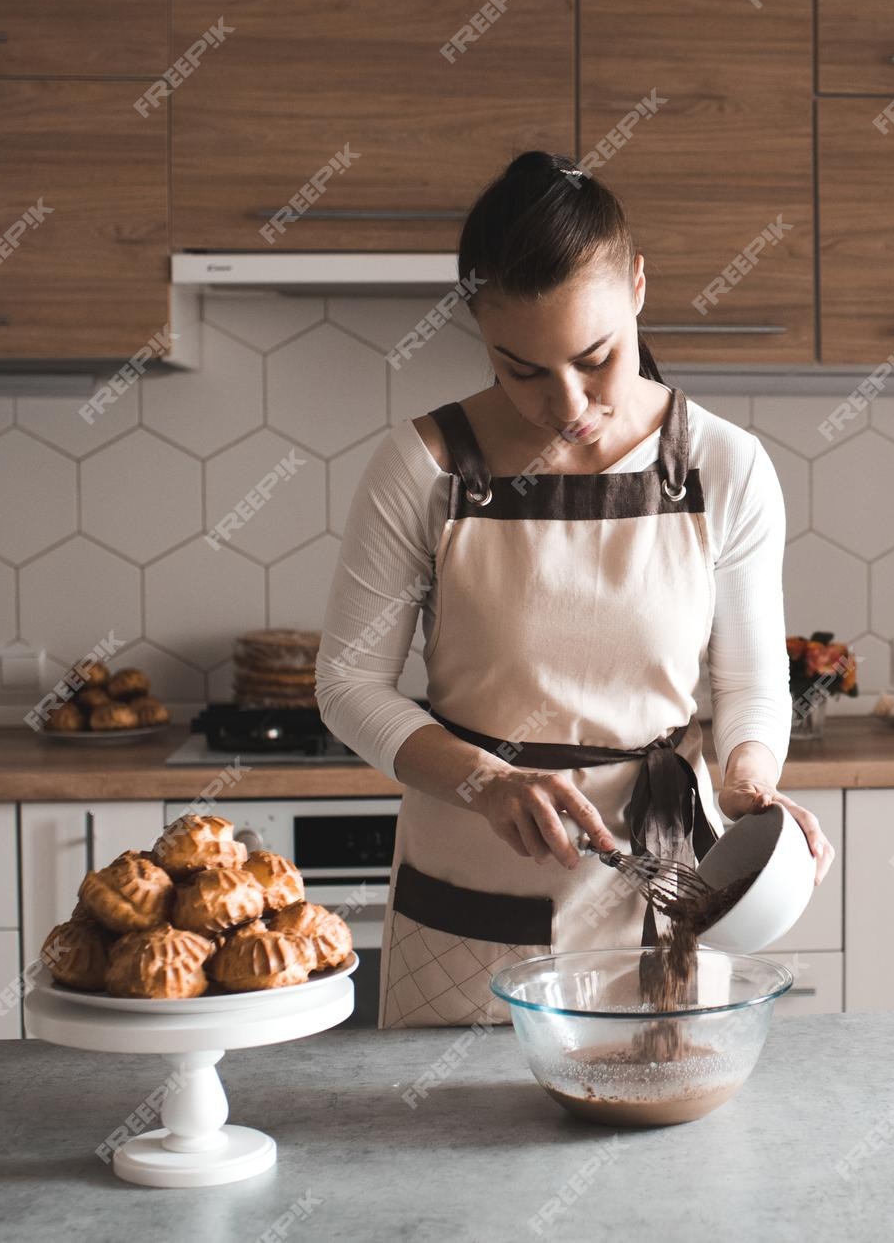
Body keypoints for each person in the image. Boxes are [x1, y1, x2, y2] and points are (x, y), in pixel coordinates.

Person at [317, 150, 834, 1028]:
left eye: (596, 358)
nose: (566, 403)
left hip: (663, 883)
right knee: (454, 1152)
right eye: (520, 369)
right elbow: (345, 685)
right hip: (474, 889)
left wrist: (750, 780)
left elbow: (748, 685)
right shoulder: (424, 469)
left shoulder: (723, 467)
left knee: (658, 1140)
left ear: (638, 286)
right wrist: (485, 782)